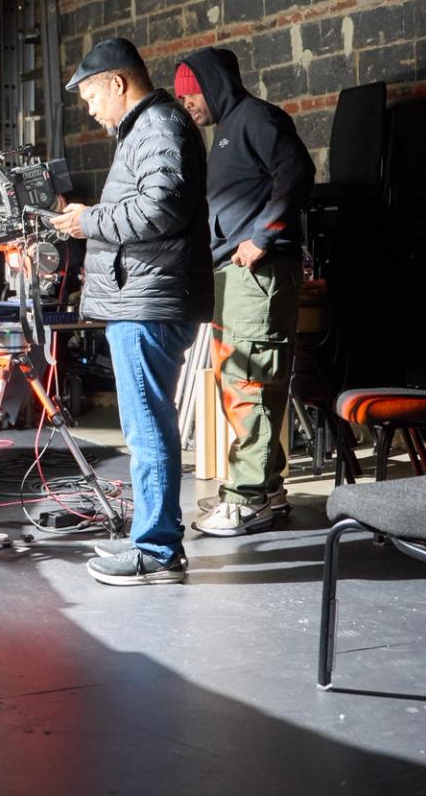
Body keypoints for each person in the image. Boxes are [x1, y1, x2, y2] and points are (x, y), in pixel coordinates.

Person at [49, 38, 210, 585]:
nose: (91, 111)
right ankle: (155, 541)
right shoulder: (148, 127)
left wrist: (89, 221)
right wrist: (92, 216)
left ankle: (158, 551)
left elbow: (160, 208)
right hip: (144, 296)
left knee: (146, 429)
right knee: (147, 425)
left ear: (118, 82)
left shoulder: (159, 125)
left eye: (92, 96)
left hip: (149, 301)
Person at [174, 47, 315, 536]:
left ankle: (246, 499)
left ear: (213, 85)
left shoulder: (257, 117)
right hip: (234, 276)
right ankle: (267, 488)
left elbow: (297, 173)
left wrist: (262, 236)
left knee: (250, 381)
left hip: (258, 272)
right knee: (240, 381)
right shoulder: (227, 132)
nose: (186, 104)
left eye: (190, 94)